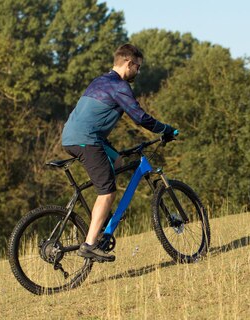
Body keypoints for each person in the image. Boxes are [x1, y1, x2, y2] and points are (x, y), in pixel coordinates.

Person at [61, 44, 176, 262]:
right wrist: (165, 129)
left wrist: (116, 154)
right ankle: (89, 244)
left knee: (120, 160)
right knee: (107, 191)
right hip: (87, 140)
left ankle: (103, 221)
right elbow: (140, 117)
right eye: (138, 67)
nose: (138, 72)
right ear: (128, 63)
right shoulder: (119, 86)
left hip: (72, 136)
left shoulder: (100, 81)